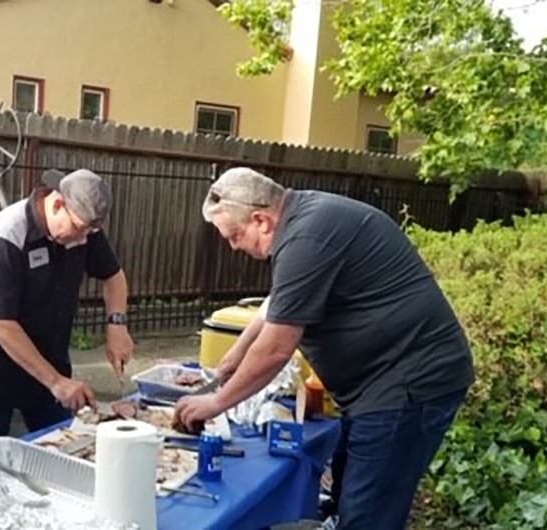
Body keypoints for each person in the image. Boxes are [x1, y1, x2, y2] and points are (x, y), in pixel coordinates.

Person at [175, 167, 474, 529]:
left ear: (261, 220)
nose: (234, 246)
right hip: (380, 385)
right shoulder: (305, 219)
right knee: (348, 491)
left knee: (369, 515)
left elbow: (276, 350)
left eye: (235, 235)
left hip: (408, 385)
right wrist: (238, 351)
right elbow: (280, 299)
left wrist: (216, 402)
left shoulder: (307, 238)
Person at [0, 169, 134, 440]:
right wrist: (56, 382)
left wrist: (117, 326)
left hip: (50, 368)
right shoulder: (6, 234)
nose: (81, 237)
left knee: (68, 448)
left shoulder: (84, 228)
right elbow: (1, 323)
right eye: (78, 228)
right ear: (58, 203)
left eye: (89, 231)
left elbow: (114, 277)